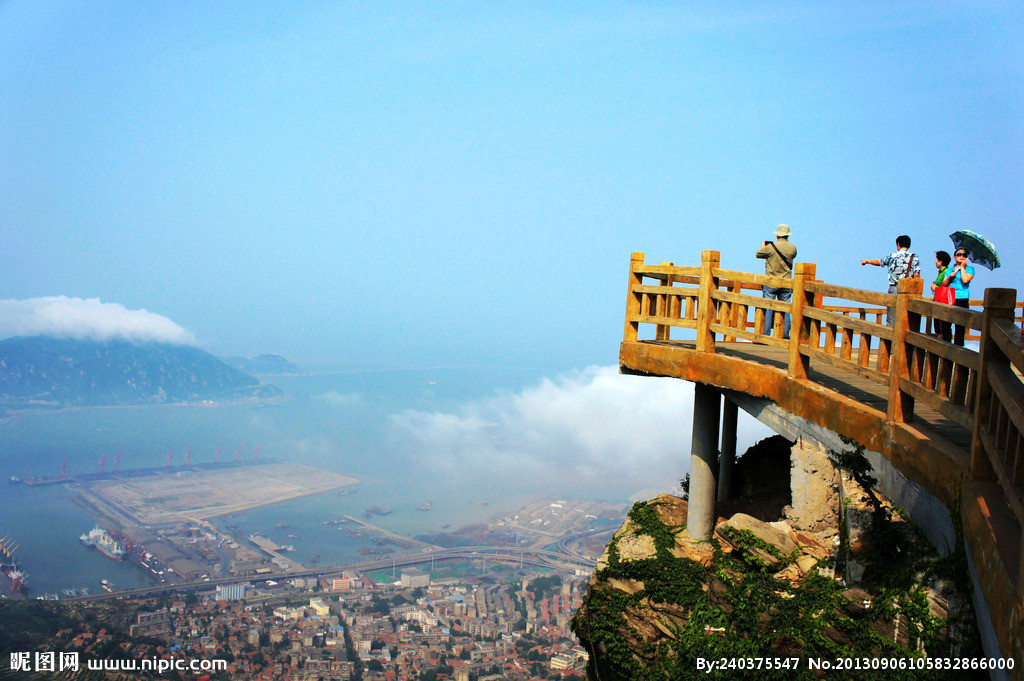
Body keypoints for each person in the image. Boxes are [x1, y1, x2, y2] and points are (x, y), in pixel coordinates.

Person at [860, 235, 921, 326]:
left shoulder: (893, 256)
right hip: (908, 291)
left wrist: (867, 261)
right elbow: (917, 275)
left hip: (894, 288)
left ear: (898, 244)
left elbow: (880, 262)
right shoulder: (914, 257)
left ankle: (890, 338)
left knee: (891, 318)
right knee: (906, 318)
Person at [755, 224, 797, 339]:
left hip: (771, 281)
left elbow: (758, 255)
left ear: (777, 235)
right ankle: (785, 335)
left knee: (769, 307)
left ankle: (766, 334)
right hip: (787, 282)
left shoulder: (771, 247)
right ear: (787, 235)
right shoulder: (793, 248)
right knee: (786, 308)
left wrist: (763, 247)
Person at [942, 248, 975, 346]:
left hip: (962, 298)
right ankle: (946, 345)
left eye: (964, 255)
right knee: (946, 323)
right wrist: (950, 277)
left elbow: (965, 280)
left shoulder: (970, 269)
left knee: (960, 325)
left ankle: (958, 347)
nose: (961, 256)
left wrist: (963, 268)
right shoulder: (949, 269)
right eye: (959, 254)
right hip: (950, 297)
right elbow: (944, 284)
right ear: (954, 257)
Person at [931, 250, 952, 342]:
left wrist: (936, 287)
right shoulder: (940, 272)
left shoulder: (947, 272)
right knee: (938, 327)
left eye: (937, 260)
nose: (935, 262)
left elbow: (945, 286)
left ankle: (944, 345)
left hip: (943, 302)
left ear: (941, 261)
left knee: (943, 327)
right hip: (938, 301)